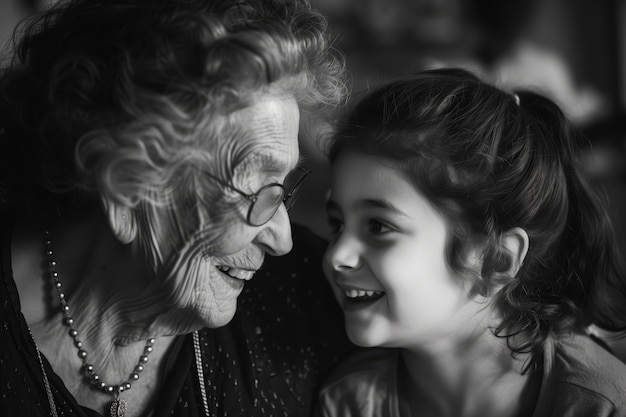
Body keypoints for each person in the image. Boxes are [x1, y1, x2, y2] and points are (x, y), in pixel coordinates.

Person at [0, 0, 353, 416]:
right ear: (128, 187)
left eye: (283, 190)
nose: (283, 239)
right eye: (258, 192)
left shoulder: (307, 290)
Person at [316, 68, 626, 417]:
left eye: (377, 226)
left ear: (494, 261)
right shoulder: (347, 403)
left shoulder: (602, 404)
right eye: (337, 224)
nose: (337, 255)